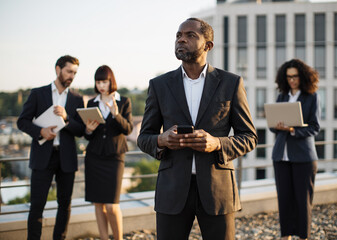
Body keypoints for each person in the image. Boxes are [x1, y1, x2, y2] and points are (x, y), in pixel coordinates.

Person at [137, 18, 258, 240]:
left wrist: (217, 143)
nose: (181, 39)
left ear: (208, 45)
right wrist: (161, 140)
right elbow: (144, 137)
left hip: (218, 191)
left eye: (190, 35)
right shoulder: (159, 85)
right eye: (178, 35)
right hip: (172, 190)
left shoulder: (231, 83)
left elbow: (249, 137)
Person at [17, 55, 85, 240]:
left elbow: (81, 130)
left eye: (75, 73)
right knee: (37, 205)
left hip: (67, 159)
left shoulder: (77, 99)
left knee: (65, 205)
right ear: (58, 69)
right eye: (69, 71)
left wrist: (67, 119)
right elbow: (22, 122)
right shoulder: (38, 93)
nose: (72, 76)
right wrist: (41, 132)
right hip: (42, 157)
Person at [270, 59, 320, 240]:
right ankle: (286, 236)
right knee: (284, 200)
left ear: (302, 76)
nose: (292, 80)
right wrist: (278, 126)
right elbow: (272, 127)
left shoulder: (311, 96)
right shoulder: (282, 97)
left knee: (302, 201)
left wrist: (293, 130)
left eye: (295, 76)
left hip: (303, 157)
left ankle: (303, 236)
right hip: (280, 156)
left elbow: (314, 127)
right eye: (288, 77)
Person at [84, 65, 133, 240]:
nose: (101, 85)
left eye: (104, 81)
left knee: (112, 206)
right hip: (94, 157)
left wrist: (116, 114)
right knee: (98, 204)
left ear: (111, 81)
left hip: (115, 157)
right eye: (98, 82)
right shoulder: (91, 103)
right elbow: (88, 136)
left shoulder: (124, 101)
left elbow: (128, 129)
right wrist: (88, 130)